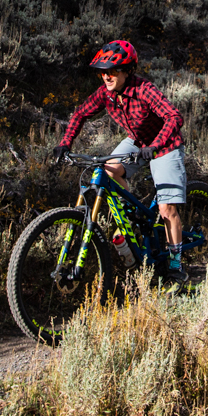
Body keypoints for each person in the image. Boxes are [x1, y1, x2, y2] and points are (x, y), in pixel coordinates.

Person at [54, 40, 190, 284]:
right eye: (103, 72)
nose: (106, 76)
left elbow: (174, 116)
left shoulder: (143, 89)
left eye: (112, 71)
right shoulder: (105, 94)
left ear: (127, 70)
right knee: (109, 169)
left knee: (166, 209)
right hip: (138, 140)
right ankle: (135, 214)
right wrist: (65, 143)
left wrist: (155, 146)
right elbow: (80, 114)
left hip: (165, 145)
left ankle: (175, 267)